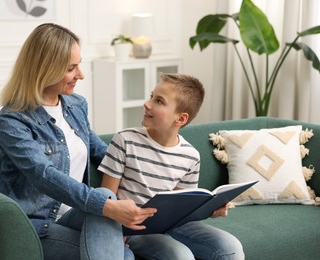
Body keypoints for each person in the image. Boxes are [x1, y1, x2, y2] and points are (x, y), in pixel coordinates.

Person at [0, 23, 156, 260]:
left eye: (78, 64)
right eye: (71, 68)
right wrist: (105, 205)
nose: (80, 74)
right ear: (45, 69)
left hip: (77, 213)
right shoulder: (12, 120)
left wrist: (153, 174)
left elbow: (102, 152)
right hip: (35, 224)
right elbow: (44, 175)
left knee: (106, 199)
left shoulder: (75, 105)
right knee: (122, 251)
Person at [99, 73, 245, 260]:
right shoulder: (125, 140)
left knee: (231, 248)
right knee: (180, 256)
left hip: (173, 225)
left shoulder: (190, 156)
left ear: (181, 119)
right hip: (133, 227)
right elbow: (106, 196)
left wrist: (211, 210)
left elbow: (181, 208)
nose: (147, 103)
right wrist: (113, 233)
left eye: (159, 101)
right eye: (152, 96)